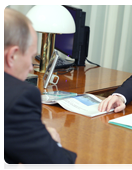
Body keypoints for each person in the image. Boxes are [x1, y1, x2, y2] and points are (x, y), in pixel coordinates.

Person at [4, 8, 77, 168]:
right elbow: (56, 165)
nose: (31, 67)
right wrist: (49, 141)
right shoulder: (19, 97)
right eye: (30, 57)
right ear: (12, 56)